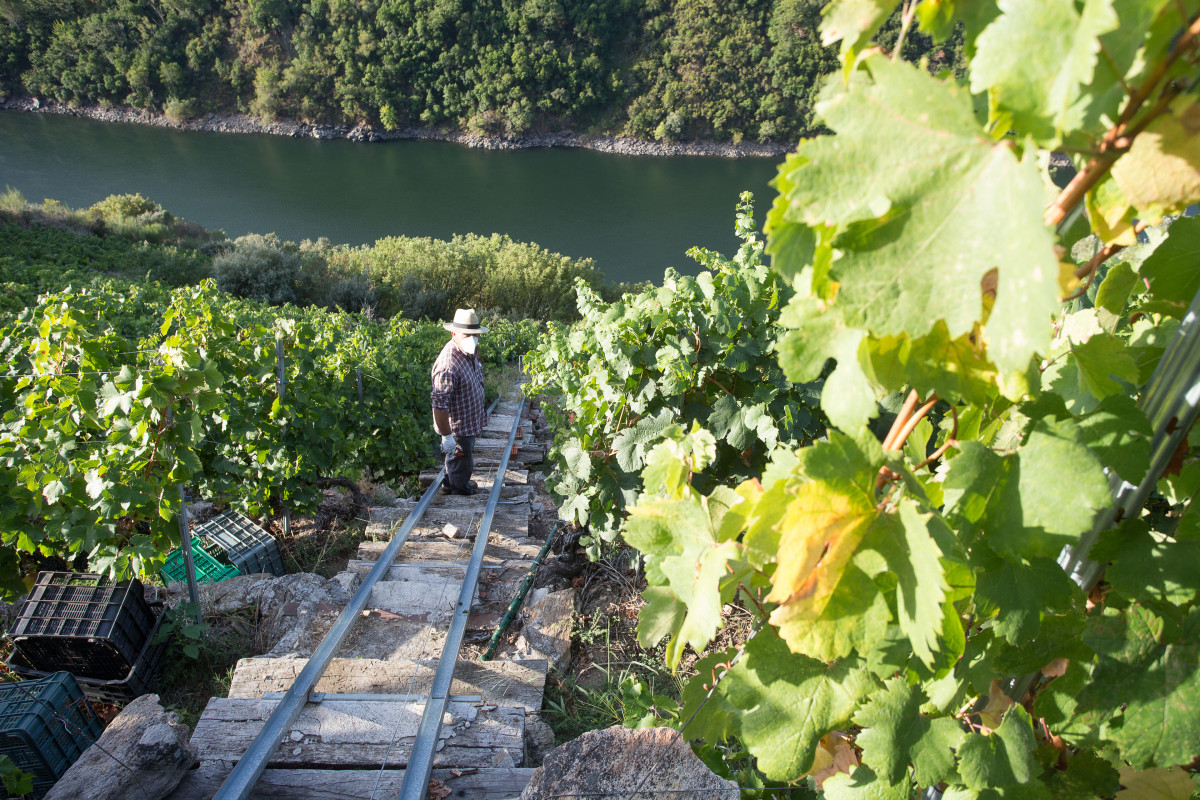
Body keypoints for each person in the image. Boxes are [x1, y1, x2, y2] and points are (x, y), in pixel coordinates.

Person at [431, 308, 488, 495]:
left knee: (463, 459)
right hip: (459, 428)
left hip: (470, 421)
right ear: (454, 333)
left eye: (475, 334)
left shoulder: (468, 350)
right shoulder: (448, 364)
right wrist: (447, 437)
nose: (472, 338)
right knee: (461, 460)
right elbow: (439, 406)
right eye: (467, 334)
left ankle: (452, 482)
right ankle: (459, 490)